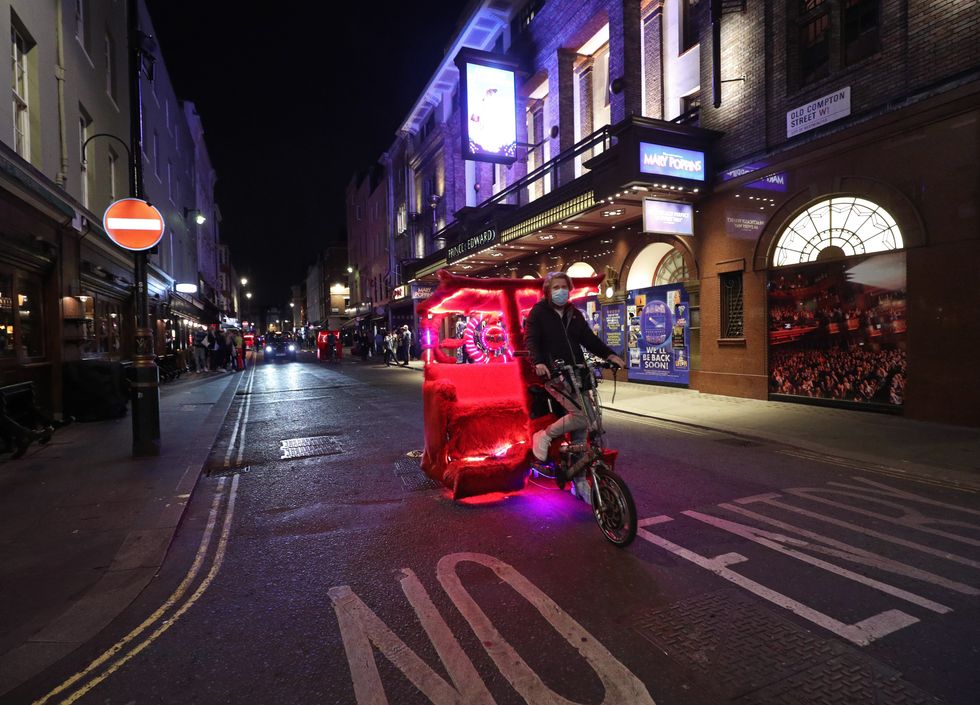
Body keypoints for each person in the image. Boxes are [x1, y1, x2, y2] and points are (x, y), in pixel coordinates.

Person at [525, 271, 626, 489]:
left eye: (564, 287)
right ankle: (543, 435)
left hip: (578, 374)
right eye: (556, 287)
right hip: (555, 375)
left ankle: (579, 481)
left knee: (589, 421)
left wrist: (609, 355)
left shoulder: (574, 314)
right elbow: (531, 340)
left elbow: (589, 339)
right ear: (548, 291)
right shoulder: (539, 312)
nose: (561, 291)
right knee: (581, 416)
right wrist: (540, 362)